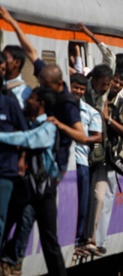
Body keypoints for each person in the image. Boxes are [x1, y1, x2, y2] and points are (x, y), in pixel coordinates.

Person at [0, 87, 66, 275]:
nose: (28, 100)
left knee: (49, 241)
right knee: (8, 225)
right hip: (26, 188)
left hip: (44, 191)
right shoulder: (29, 122)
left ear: (41, 104)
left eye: (32, 98)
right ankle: (10, 259)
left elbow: (27, 140)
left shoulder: (48, 127)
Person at [85, 69, 123, 255]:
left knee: (103, 197)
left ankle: (97, 240)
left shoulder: (122, 104)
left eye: (121, 84)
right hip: (93, 157)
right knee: (97, 197)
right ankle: (91, 238)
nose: (116, 86)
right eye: (115, 82)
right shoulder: (94, 99)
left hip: (110, 159)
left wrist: (109, 120)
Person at [69, 73, 103, 256]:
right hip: (64, 161)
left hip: (81, 160)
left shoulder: (90, 112)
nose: (78, 91)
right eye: (75, 87)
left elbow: (98, 135)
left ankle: (79, 241)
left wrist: (82, 138)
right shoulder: (60, 107)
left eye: (81, 89)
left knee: (83, 202)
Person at [0, 75, 28, 256]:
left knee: (1, 216)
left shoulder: (9, 102)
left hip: (5, 170)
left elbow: (25, 131)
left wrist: (21, 159)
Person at [2, 44, 32, 109]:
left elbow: (18, 107)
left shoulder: (24, 89)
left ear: (17, 63)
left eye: (5, 58)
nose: (1, 61)